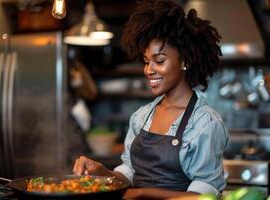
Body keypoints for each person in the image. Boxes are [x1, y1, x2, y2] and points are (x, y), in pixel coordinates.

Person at [73, 0, 229, 198]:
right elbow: (129, 173)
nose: (149, 70)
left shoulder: (205, 123)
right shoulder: (142, 116)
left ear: (185, 61)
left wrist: (143, 193)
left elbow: (203, 195)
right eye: (147, 62)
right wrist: (100, 172)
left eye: (159, 60)